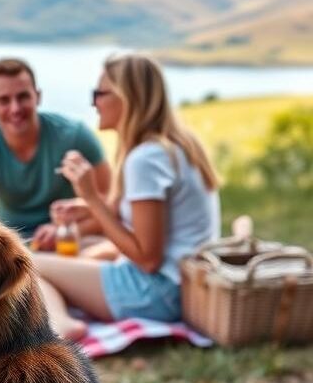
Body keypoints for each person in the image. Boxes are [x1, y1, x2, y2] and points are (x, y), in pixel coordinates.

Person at [34, 53, 221, 340]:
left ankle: (62, 326)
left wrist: (93, 199)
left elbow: (147, 259)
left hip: (157, 294)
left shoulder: (146, 159)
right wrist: (86, 206)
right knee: (84, 246)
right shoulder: (174, 146)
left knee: (29, 263)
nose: (93, 102)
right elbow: (143, 218)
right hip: (184, 285)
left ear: (127, 97)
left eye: (99, 93)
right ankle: (64, 306)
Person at [0, 58, 112, 250]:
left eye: (23, 97)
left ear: (38, 96)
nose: (15, 108)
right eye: (4, 100)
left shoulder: (75, 136)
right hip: (13, 249)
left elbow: (111, 207)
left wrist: (64, 230)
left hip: (69, 240)